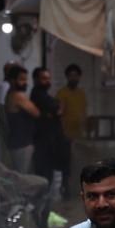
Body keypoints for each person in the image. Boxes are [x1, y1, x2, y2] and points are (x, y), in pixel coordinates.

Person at [30, 68, 71, 200]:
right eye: (44, 78)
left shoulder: (45, 95)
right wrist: (57, 108)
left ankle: (51, 202)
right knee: (45, 175)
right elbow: (58, 109)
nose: (47, 81)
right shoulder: (38, 95)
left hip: (52, 141)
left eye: (48, 78)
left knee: (53, 173)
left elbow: (59, 109)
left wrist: (57, 109)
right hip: (44, 142)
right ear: (36, 80)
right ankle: (44, 207)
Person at [2, 66, 40, 174]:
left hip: (19, 143)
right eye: (22, 79)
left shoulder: (13, 95)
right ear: (13, 80)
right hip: (21, 144)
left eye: (26, 79)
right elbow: (36, 112)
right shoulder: (17, 96)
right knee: (22, 178)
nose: (25, 83)